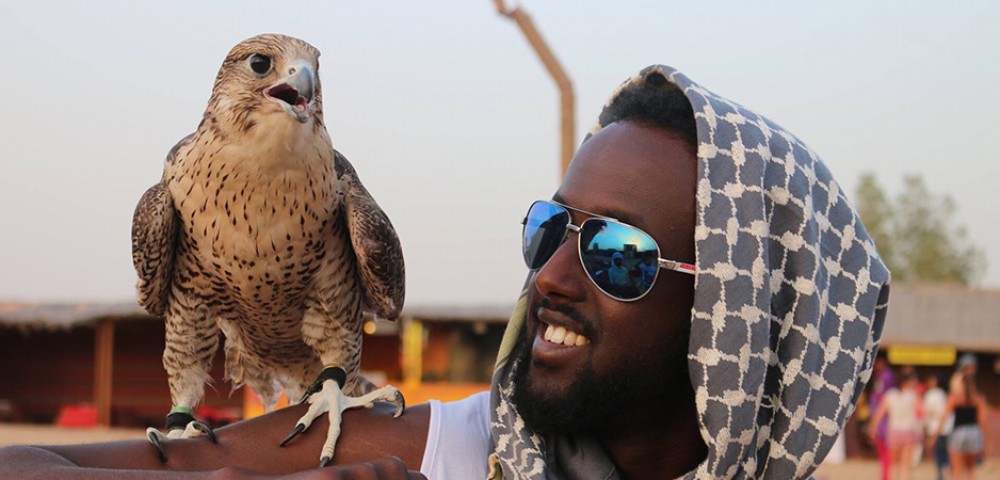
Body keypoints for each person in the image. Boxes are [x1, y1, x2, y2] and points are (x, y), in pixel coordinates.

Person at [0, 65, 891, 479]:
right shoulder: (450, 454)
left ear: (736, 323)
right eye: (551, 227)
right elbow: (94, 467)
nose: (549, 275)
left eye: (618, 253)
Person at [929, 372, 992, 480]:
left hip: (958, 433)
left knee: (957, 471)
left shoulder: (955, 398)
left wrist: (935, 436)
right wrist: (987, 438)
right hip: (974, 433)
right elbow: (982, 420)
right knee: (971, 471)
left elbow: (944, 418)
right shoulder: (978, 398)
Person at [868, 372, 923, 480]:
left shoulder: (890, 395)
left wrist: (872, 429)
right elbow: (921, 411)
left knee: (893, 465)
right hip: (908, 430)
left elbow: (879, 414)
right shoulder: (912, 395)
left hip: (894, 431)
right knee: (906, 465)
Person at [923, 374, 951, 480]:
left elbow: (927, 411)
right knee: (945, 453)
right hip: (946, 428)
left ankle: (941, 475)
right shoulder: (942, 394)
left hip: (936, 428)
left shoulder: (931, 394)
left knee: (939, 454)